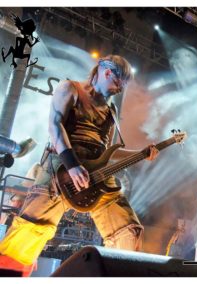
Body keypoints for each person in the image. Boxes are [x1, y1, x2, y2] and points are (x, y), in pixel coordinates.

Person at [0, 55, 159, 276]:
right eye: (117, 84)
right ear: (106, 72)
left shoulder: (110, 111)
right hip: (60, 169)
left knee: (128, 231)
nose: (118, 90)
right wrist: (72, 165)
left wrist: (140, 154)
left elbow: (107, 151)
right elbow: (55, 126)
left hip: (96, 174)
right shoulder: (70, 89)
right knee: (29, 230)